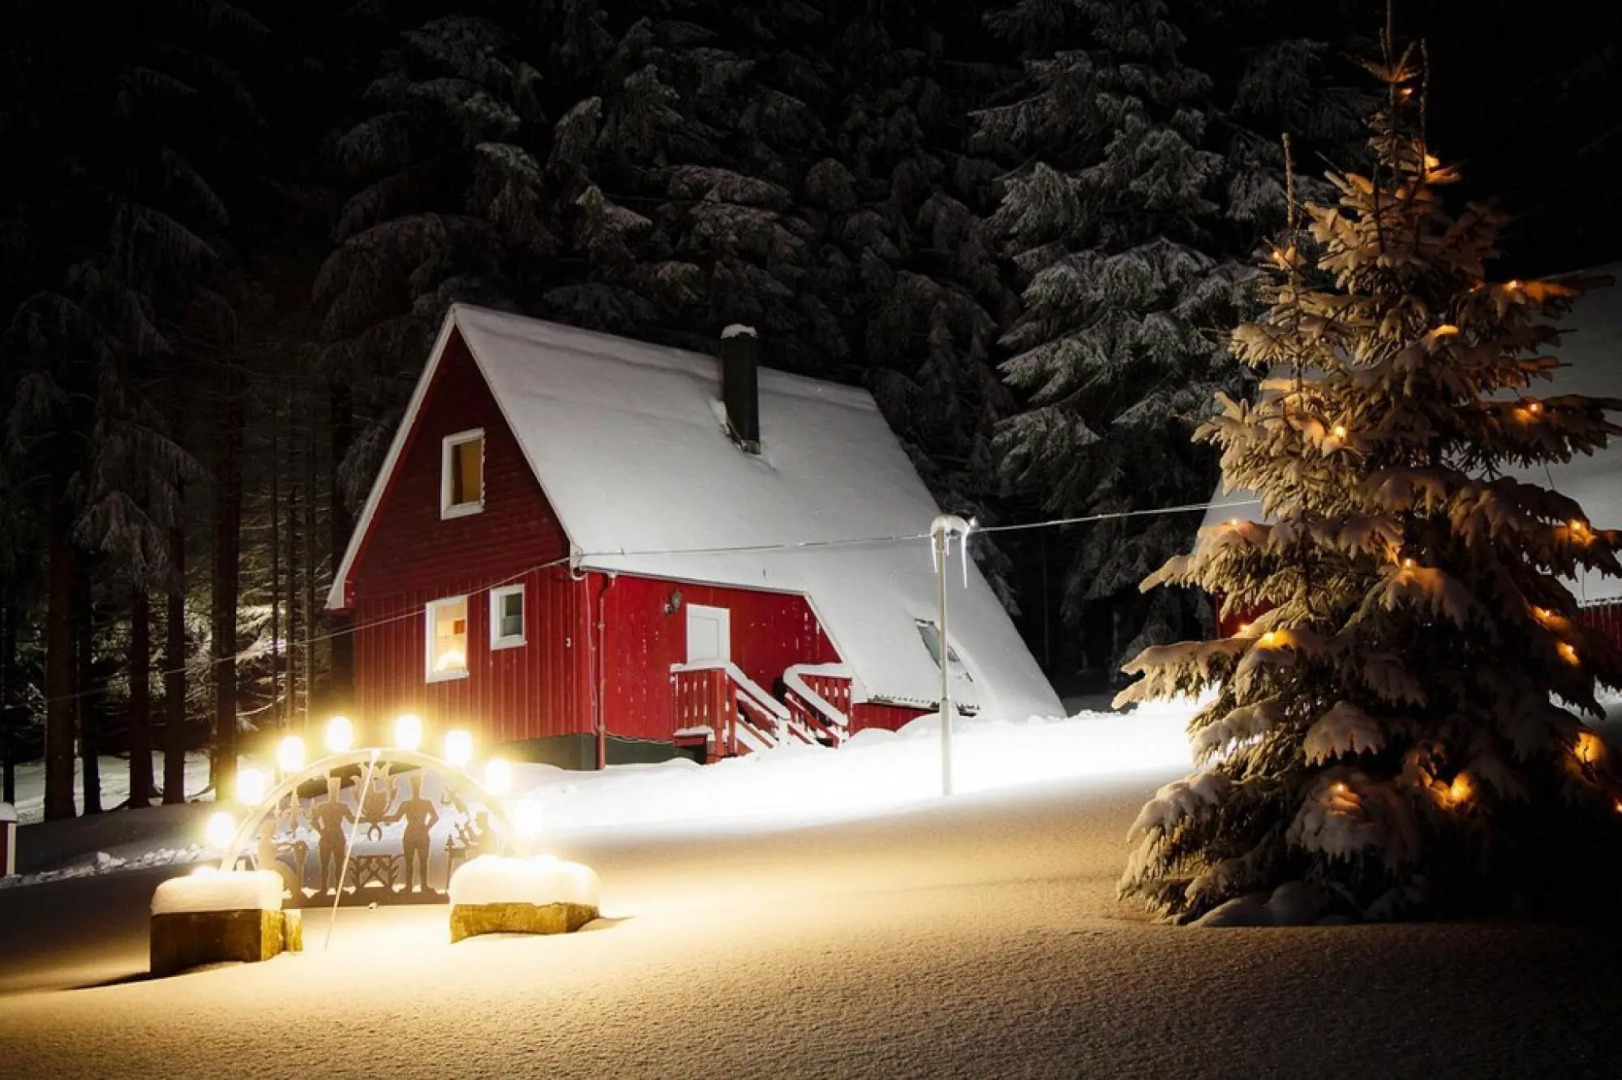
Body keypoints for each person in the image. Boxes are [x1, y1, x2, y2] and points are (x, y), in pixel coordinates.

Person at [391, 773, 440, 892]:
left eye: (417, 785)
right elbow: (396, 818)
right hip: (412, 834)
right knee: (410, 862)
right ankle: (409, 886)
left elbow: (435, 817)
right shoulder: (407, 804)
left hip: (419, 834)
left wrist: (427, 827)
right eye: (415, 785)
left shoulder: (425, 803)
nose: (416, 788)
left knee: (422, 862)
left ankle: (423, 886)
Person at [308, 777, 355, 895]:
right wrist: (321, 831)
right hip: (330, 836)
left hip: (334, 836)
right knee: (325, 864)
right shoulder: (324, 807)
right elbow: (313, 821)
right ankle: (324, 888)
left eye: (336, 789)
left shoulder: (340, 806)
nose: (334, 791)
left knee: (338, 864)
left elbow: (352, 820)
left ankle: (336, 888)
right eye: (332, 788)